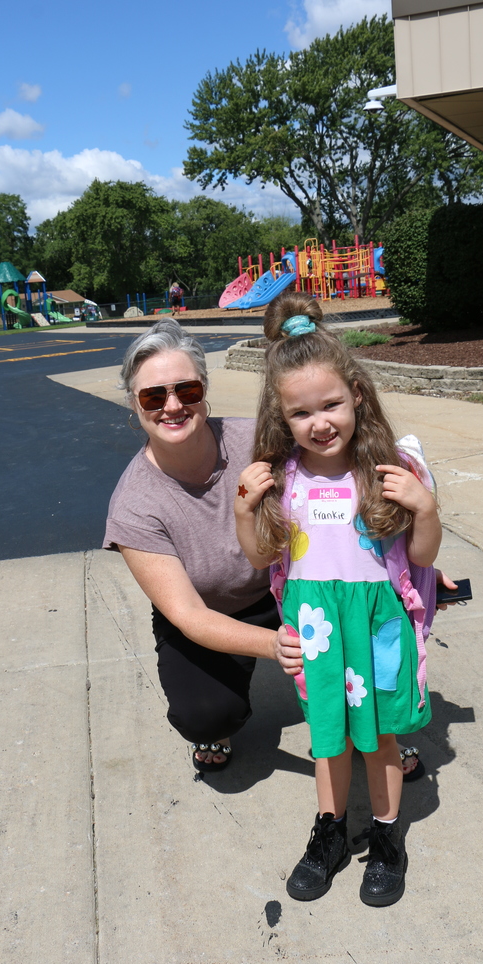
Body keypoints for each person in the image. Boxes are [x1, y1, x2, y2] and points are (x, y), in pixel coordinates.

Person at [234, 292, 442, 907]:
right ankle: (329, 831)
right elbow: (258, 557)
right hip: (316, 624)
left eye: (331, 404)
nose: (320, 422)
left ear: (356, 393)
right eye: (302, 413)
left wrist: (424, 506)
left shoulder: (387, 469)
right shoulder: (283, 475)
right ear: (282, 415)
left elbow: (423, 555)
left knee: (376, 735)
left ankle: (385, 837)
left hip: (376, 621)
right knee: (328, 733)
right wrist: (246, 510)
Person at [103, 317, 302, 771]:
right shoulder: (133, 505)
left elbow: (339, 487)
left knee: (370, 617)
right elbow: (189, 615)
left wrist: (408, 567)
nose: (172, 406)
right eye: (154, 396)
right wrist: (276, 645)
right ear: (135, 404)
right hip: (205, 609)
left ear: (204, 391)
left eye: (186, 390)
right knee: (206, 716)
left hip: (283, 585)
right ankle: (229, 686)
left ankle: (386, 722)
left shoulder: (257, 440)